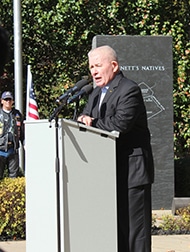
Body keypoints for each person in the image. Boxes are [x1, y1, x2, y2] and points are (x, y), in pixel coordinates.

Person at [77, 45, 154, 252]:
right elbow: (85, 119)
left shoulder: (129, 89)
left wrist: (91, 122)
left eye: (98, 65)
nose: (93, 71)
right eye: (91, 67)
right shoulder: (94, 94)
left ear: (114, 65)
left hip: (132, 174)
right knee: (116, 232)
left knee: (135, 234)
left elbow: (120, 124)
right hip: (106, 173)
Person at [0, 91, 24, 179]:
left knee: (13, 177)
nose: (8, 101)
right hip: (0, 149)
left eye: (10, 99)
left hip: (13, 150)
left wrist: (24, 143)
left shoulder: (17, 114)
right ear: (2, 101)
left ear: (13, 101)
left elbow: (22, 131)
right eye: (6, 99)